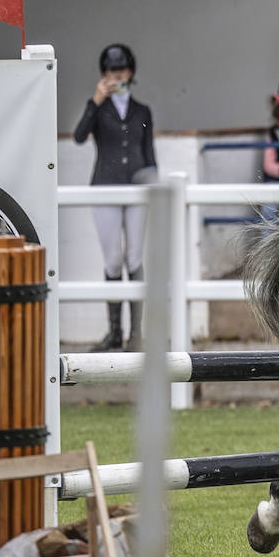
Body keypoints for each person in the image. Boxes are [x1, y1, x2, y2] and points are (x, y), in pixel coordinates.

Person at [73, 44, 156, 353]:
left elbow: (149, 153)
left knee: (135, 256)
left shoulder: (142, 110)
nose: (116, 76)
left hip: (136, 186)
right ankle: (114, 331)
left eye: (120, 72)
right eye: (110, 72)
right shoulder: (99, 108)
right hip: (105, 184)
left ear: (130, 73)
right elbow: (80, 136)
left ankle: (136, 333)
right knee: (113, 258)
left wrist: (153, 184)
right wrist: (95, 101)